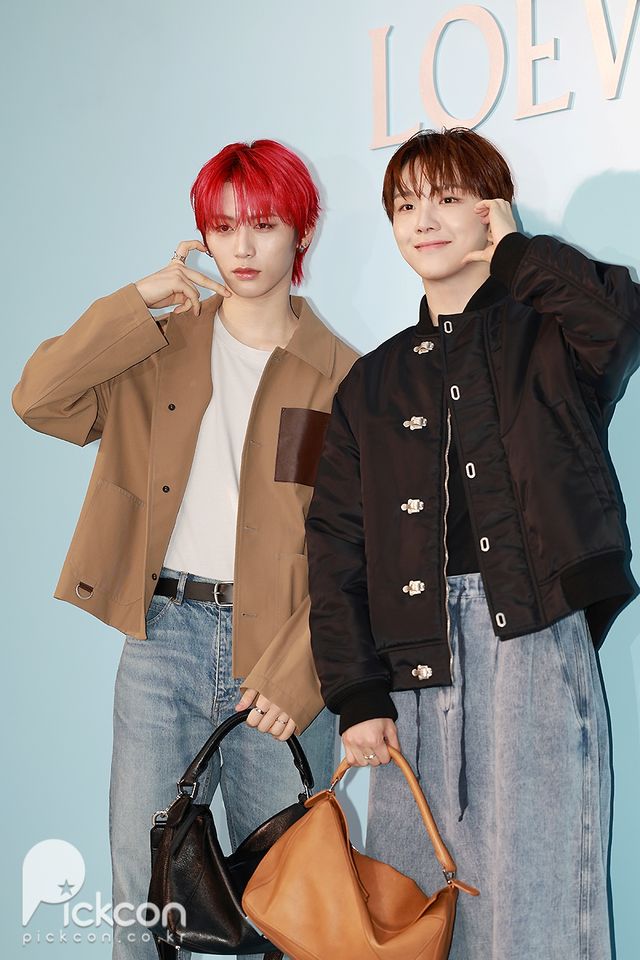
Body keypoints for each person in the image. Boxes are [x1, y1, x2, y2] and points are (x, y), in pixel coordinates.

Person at [12, 138, 357, 960]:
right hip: (162, 640)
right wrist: (138, 300)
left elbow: (361, 548)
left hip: (280, 658)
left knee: (290, 898)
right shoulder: (156, 347)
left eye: (263, 223)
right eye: (223, 226)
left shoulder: (344, 378)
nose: (242, 246)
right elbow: (38, 400)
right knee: (143, 891)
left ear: (302, 233)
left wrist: (302, 672)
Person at [305, 127, 640, 960]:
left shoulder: (550, 337)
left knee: (539, 902)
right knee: (412, 909)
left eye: (448, 198)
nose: (424, 220)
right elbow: (337, 546)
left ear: (491, 209)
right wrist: (357, 695)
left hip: (531, 638)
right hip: (410, 663)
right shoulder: (371, 382)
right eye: (405, 204)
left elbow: (619, 321)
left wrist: (519, 253)